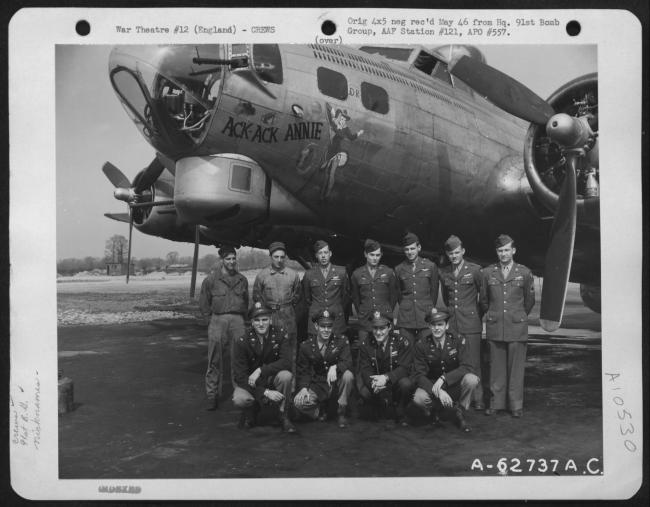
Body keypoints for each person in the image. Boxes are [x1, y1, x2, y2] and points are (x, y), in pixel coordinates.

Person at [479, 234, 535, 418]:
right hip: (496, 326)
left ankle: (515, 405)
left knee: (516, 369)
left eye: (506, 250)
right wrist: (494, 315)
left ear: (513, 251)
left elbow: (529, 301)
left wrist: (516, 315)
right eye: (500, 251)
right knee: (496, 368)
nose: (503, 254)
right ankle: (496, 403)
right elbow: (484, 301)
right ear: (497, 252)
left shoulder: (524, 273)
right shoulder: (488, 273)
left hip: (516, 326)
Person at [232, 302, 297, 434]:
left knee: (286, 376)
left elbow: (287, 362)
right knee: (240, 399)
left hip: (272, 378)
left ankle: (283, 415)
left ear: (270, 320)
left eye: (264, 320)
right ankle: (251, 412)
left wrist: (261, 370)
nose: (261, 324)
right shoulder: (242, 341)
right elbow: (240, 377)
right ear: (251, 322)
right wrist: (265, 392)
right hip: (252, 383)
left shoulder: (280, 334)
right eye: (257, 320)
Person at [438, 235, 486, 410]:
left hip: (471, 324)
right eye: (451, 253)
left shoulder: (475, 270)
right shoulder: (445, 273)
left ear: (463, 251)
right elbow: (446, 296)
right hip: (454, 324)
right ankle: (459, 396)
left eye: (457, 252)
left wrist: (475, 315)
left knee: (474, 362)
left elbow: (484, 297)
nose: (454, 256)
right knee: (456, 363)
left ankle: (479, 399)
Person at [199, 246, 249, 411]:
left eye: (234, 258)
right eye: (228, 259)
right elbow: (204, 303)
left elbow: (246, 302)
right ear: (222, 260)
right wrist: (210, 321)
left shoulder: (242, 280)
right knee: (214, 360)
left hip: (237, 320)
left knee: (239, 359)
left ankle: (240, 393)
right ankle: (212, 395)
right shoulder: (211, 280)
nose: (231, 261)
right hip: (217, 320)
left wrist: (243, 320)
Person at [412, 308, 478, 432]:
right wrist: (437, 391)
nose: (437, 328)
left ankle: (460, 411)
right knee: (419, 398)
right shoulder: (421, 345)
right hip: (432, 385)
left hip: (453, 384)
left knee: (472, 380)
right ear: (429, 326)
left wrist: (444, 379)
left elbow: (467, 366)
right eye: (433, 325)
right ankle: (433, 412)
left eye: (440, 324)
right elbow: (418, 375)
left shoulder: (457, 340)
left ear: (447, 326)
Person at [293, 310, 354, 428]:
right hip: (318, 383)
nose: (326, 330)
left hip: (336, 382)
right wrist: (304, 388)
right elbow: (303, 371)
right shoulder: (306, 346)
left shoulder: (341, 340)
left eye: (329, 326)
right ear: (316, 326)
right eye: (323, 326)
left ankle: (341, 411)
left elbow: (348, 361)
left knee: (348, 375)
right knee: (298, 403)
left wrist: (335, 367)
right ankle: (319, 410)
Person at [357, 311, 415, 425]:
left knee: (406, 384)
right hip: (377, 383)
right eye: (375, 328)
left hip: (394, 382)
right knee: (364, 392)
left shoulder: (401, 342)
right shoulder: (366, 344)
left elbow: (405, 367)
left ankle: (400, 408)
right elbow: (365, 369)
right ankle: (380, 406)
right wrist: (373, 383)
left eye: (382, 328)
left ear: (389, 327)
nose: (378, 332)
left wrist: (386, 377)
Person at [252, 241, 302, 367]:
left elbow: (297, 295)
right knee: (269, 350)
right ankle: (269, 383)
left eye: (282, 257)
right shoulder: (262, 275)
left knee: (291, 351)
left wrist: (287, 308)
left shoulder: (293, 275)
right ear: (271, 257)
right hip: (270, 315)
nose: (279, 260)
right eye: (276, 257)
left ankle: (290, 383)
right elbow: (257, 296)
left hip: (288, 316)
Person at [350, 239, 399, 344]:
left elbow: (394, 296)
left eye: (377, 255)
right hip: (365, 320)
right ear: (365, 254)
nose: (375, 258)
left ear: (381, 255)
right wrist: (364, 310)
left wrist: (387, 310)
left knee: (387, 351)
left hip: (385, 318)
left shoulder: (389, 272)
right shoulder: (357, 274)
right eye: (372, 255)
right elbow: (356, 298)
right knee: (364, 350)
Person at [394, 232, 439, 343]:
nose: (409, 252)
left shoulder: (430, 266)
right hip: (406, 318)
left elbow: (434, 291)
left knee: (424, 352)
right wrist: (407, 306)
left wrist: (428, 308)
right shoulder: (399, 269)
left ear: (419, 248)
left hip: (425, 317)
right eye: (406, 249)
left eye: (412, 248)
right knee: (406, 352)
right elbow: (399, 294)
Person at [302, 240, 351, 338]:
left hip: (336, 318)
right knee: (315, 349)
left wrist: (336, 308)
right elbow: (306, 298)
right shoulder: (309, 274)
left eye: (325, 252)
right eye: (320, 253)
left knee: (337, 348)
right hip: (316, 318)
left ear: (330, 253)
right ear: (316, 255)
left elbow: (346, 296)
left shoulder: (341, 272)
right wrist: (317, 309)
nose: (323, 256)